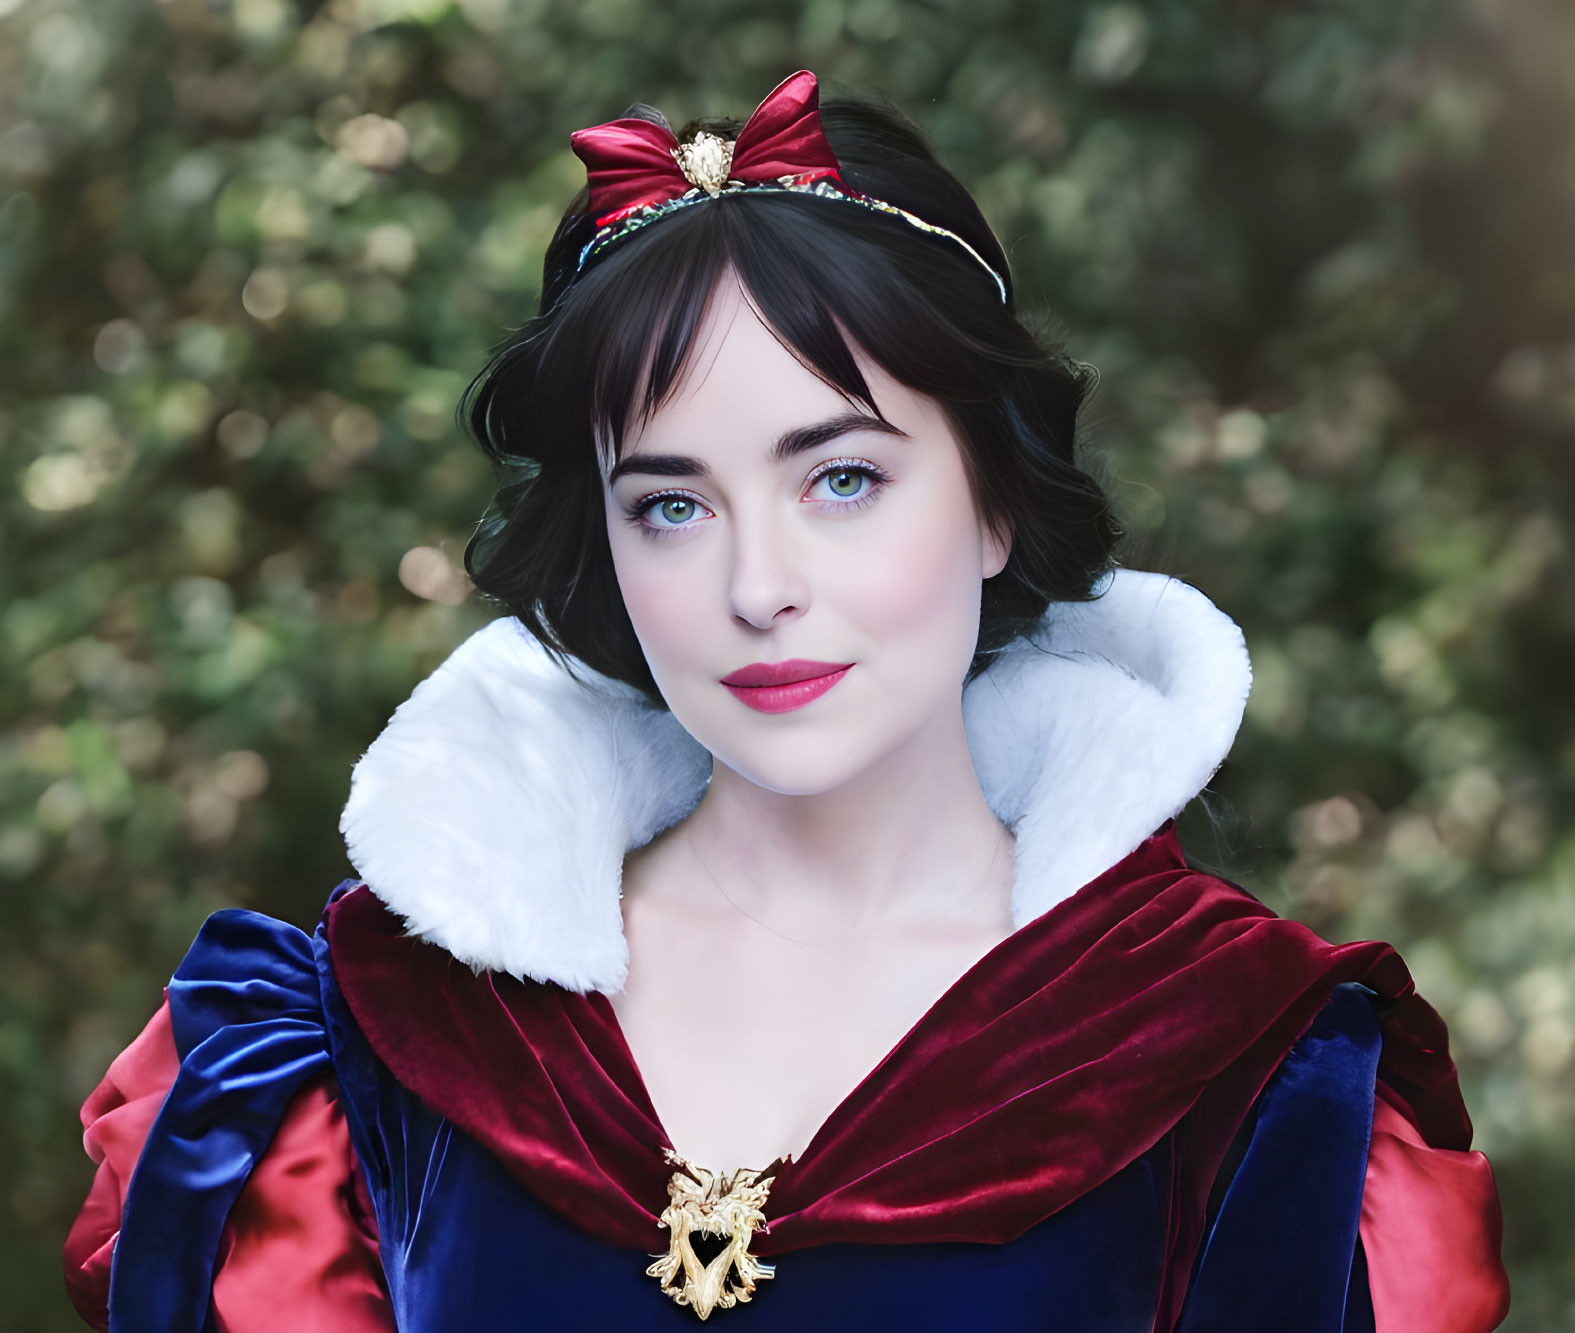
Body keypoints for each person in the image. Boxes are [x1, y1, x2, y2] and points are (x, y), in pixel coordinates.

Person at [64, 71, 1509, 1331]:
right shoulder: (367, 1036)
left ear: (997, 501)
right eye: (674, 504)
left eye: (843, 478)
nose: (760, 585)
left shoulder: (1245, 1064)